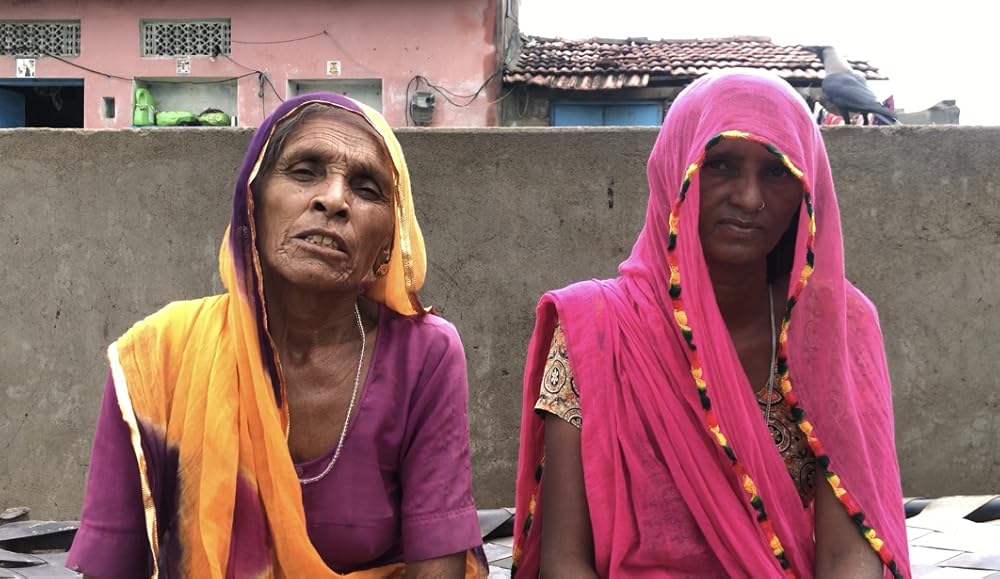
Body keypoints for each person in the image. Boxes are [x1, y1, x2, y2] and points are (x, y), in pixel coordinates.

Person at [66, 94, 486, 578]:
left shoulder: (424, 355)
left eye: (367, 188)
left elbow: (437, 565)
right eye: (304, 171)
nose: (334, 199)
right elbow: (112, 565)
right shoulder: (158, 355)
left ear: (388, 244)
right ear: (252, 203)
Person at [512, 70, 911, 578]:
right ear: (674, 170)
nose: (749, 198)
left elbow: (847, 555)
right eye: (720, 164)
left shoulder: (837, 327)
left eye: (777, 171)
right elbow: (566, 562)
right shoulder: (596, 327)